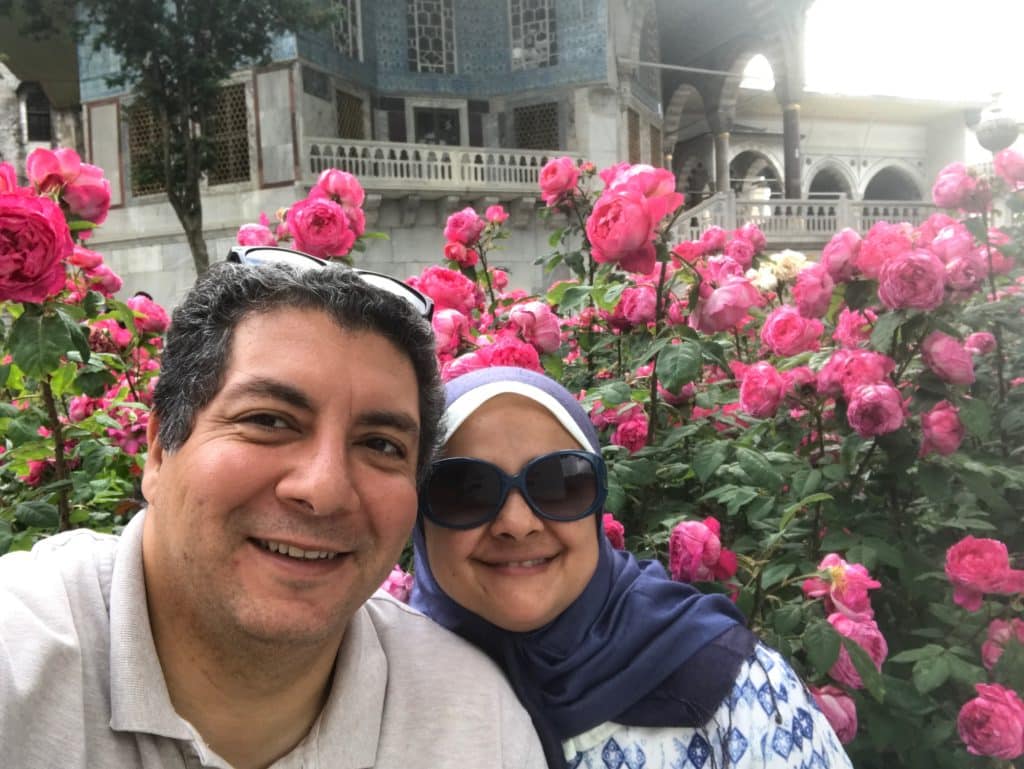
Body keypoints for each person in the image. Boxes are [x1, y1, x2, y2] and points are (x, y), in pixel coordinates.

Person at [0, 249, 546, 769]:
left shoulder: (472, 723)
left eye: (381, 445)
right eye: (268, 421)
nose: (325, 489)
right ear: (161, 451)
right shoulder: (21, 661)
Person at [411, 366, 854, 769]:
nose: (517, 524)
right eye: (465, 490)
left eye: (559, 483)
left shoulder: (732, 686)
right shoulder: (377, 684)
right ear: (417, 515)